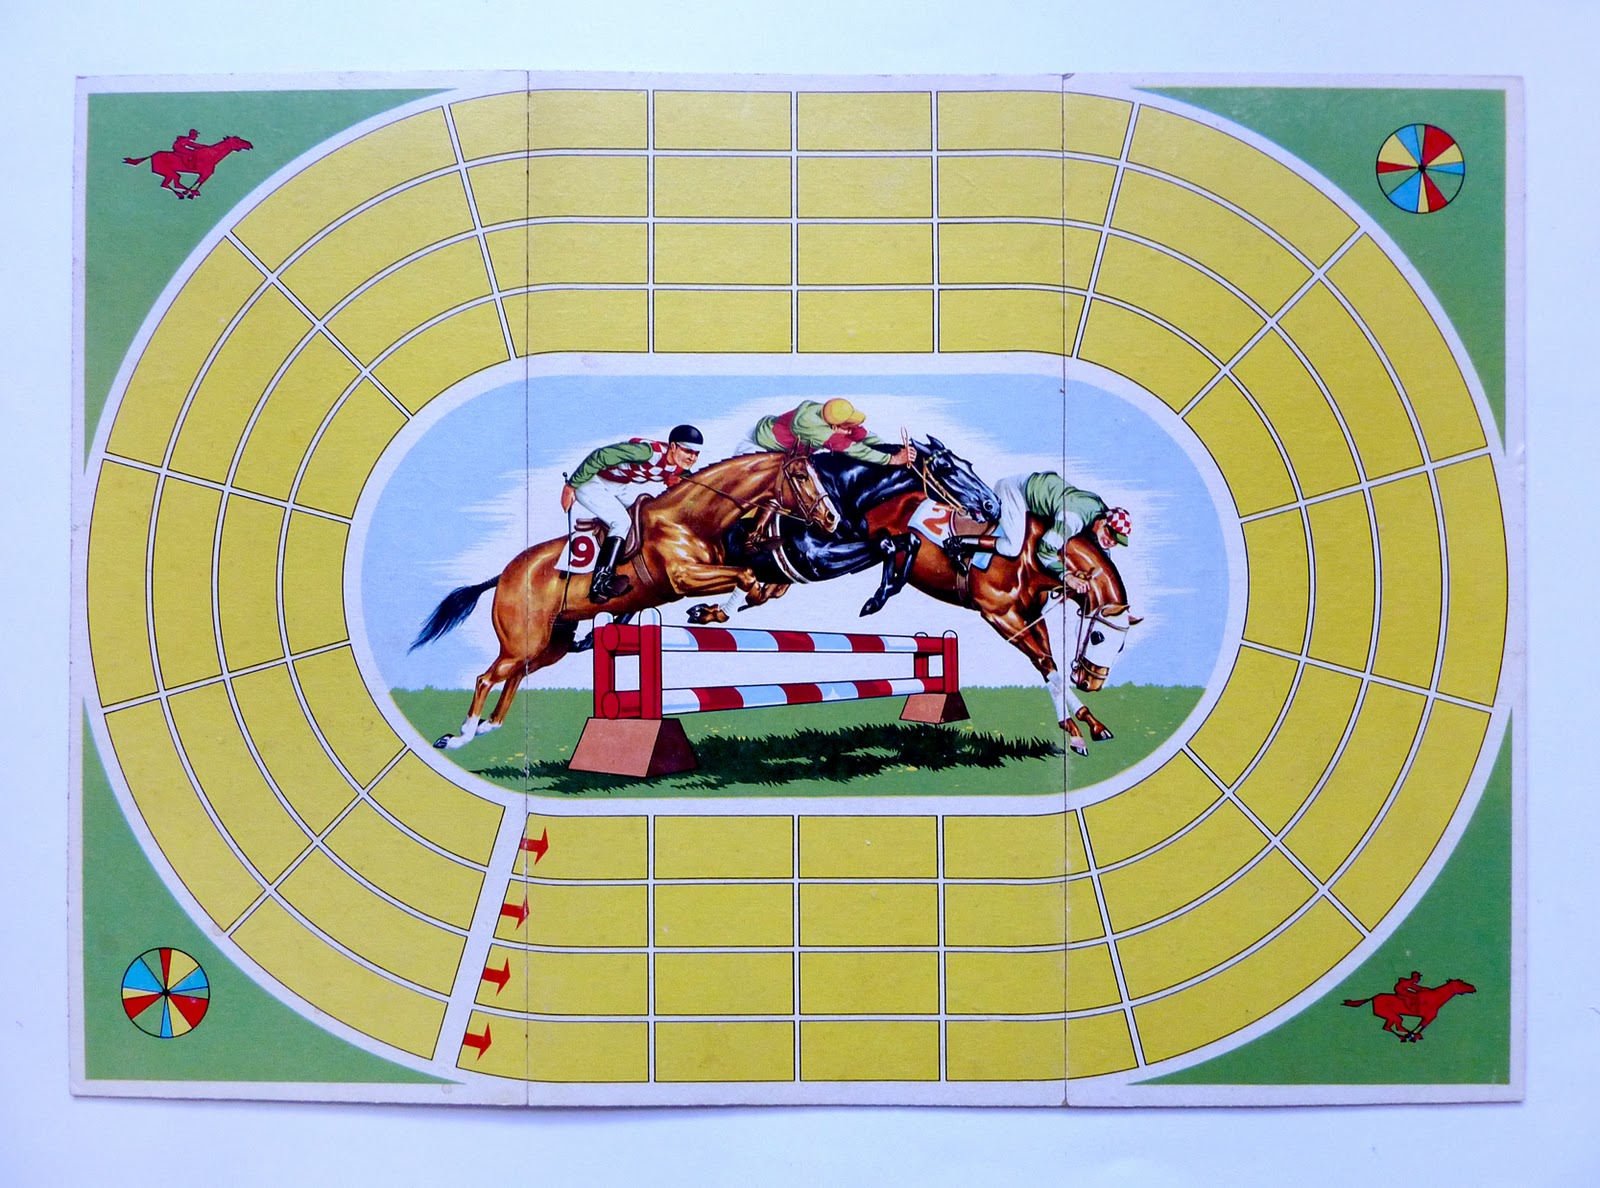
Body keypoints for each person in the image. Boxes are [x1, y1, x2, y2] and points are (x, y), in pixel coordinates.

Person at [561, 425, 702, 602]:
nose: (692, 457)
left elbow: (690, 498)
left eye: (696, 453)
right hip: (592, 482)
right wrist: (571, 486)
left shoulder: (680, 469)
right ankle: (600, 583)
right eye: (688, 451)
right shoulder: (646, 452)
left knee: (646, 513)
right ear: (673, 447)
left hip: (618, 486)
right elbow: (600, 456)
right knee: (621, 522)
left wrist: (678, 485)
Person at [944, 471, 1130, 593]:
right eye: (1110, 534)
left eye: (1117, 540)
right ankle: (961, 543)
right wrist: (1068, 577)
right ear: (1103, 521)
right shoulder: (1074, 517)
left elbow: (1102, 560)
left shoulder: (1097, 514)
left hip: (1037, 493)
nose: (1111, 541)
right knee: (1013, 548)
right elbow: (1045, 550)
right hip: (1014, 492)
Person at [739, 397, 915, 466]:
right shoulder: (814, 428)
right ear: (834, 427)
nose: (850, 431)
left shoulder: (832, 413)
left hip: (778, 435)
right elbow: (854, 448)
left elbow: (860, 434)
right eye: (846, 428)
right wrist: (892, 459)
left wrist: (893, 447)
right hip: (762, 444)